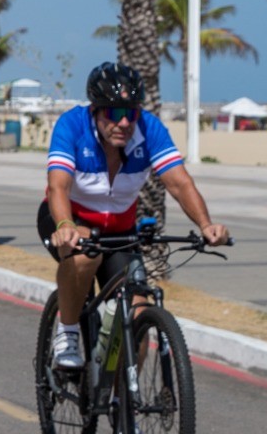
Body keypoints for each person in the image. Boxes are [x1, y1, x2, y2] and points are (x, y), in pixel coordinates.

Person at [41, 62, 229, 371]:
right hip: (67, 219)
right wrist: (65, 225)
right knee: (84, 256)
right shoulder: (72, 125)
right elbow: (58, 185)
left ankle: (121, 404)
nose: (124, 122)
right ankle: (68, 331)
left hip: (118, 231)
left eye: (132, 112)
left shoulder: (149, 129)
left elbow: (179, 183)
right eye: (114, 113)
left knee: (139, 314)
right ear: (95, 111)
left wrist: (206, 225)